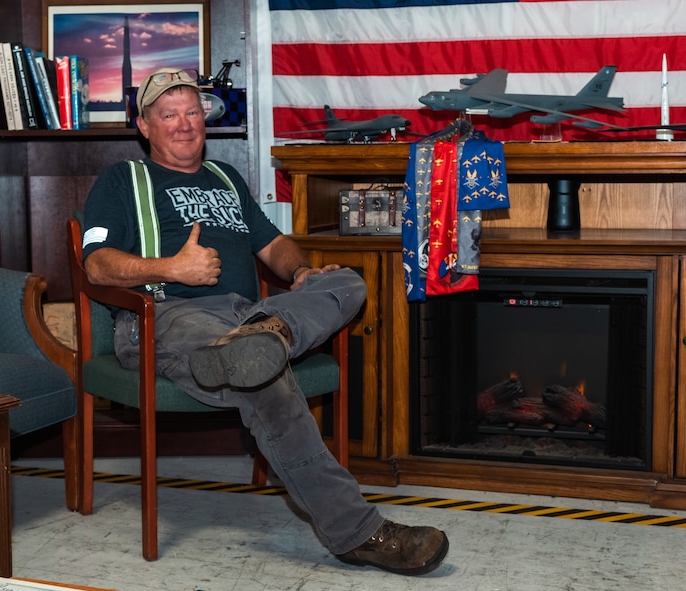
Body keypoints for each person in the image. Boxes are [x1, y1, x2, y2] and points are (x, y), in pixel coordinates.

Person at [81, 67, 449, 576]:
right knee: (263, 379)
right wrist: (171, 267)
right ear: (145, 126)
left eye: (193, 112)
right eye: (169, 114)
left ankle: (266, 336)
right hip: (167, 315)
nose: (185, 124)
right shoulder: (123, 179)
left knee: (347, 282)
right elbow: (95, 264)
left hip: (251, 316)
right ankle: (358, 532)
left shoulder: (227, 177)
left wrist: (300, 272)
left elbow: (272, 244)